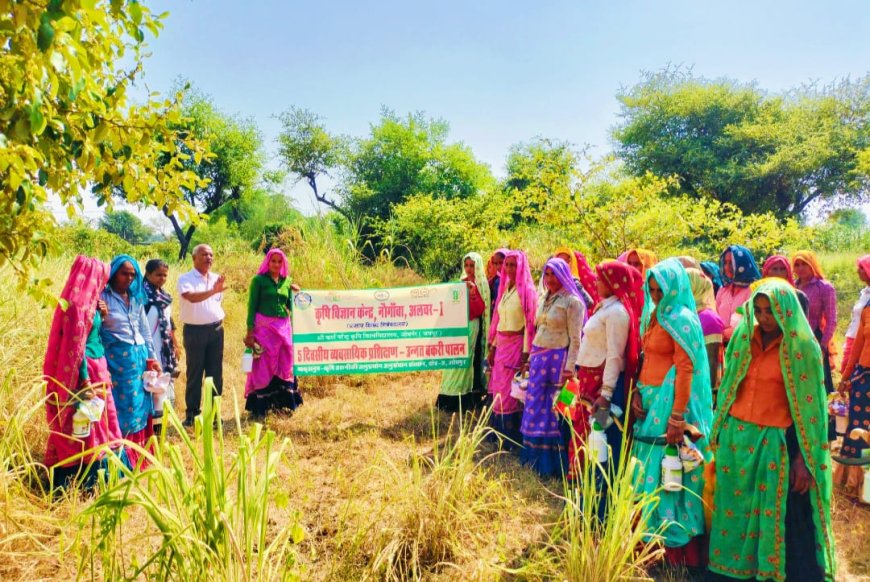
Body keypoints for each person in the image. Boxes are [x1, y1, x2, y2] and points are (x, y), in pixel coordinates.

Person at [708, 279, 836, 581]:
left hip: (774, 444)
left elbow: (810, 411)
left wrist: (802, 459)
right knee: (734, 514)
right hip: (737, 442)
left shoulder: (802, 348)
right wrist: (721, 434)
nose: (765, 317)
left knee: (777, 520)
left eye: (771, 311)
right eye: (760, 310)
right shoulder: (742, 338)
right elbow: (728, 388)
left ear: (786, 310)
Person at [632, 259, 712, 567]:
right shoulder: (655, 315)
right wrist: (638, 391)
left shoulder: (682, 318)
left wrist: (677, 416)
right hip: (648, 402)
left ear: (674, 288)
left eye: (660, 290)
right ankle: (645, 544)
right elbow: (646, 356)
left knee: (669, 471)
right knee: (646, 471)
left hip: (671, 406)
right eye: (651, 290)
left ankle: (674, 555)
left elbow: (685, 369)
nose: (655, 296)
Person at [44, 256, 127, 489]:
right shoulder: (78, 306)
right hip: (88, 370)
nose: (104, 282)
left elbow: (92, 335)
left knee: (103, 420)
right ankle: (88, 481)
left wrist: (102, 314)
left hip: (98, 366)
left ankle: (101, 477)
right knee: (89, 422)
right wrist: (86, 381)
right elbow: (75, 347)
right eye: (102, 277)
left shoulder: (90, 302)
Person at [570, 260, 643, 478]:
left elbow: (614, 355)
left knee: (599, 431)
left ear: (612, 283)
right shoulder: (605, 307)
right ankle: (582, 481)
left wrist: (606, 393)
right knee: (585, 428)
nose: (596, 282)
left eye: (601, 279)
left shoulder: (618, 313)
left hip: (601, 384)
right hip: (588, 378)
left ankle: (598, 487)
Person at [520, 258, 585, 478]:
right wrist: (530, 358)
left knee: (556, 410)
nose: (549, 279)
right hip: (539, 359)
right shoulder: (544, 298)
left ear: (563, 275)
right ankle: (532, 458)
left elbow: (576, 338)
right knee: (535, 405)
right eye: (546, 274)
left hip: (558, 361)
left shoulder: (572, 301)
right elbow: (538, 328)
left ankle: (553, 465)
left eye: (554, 274)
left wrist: (570, 367)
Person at [101, 255, 160, 469]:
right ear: (114, 272)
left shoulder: (135, 298)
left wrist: (151, 358)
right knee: (124, 406)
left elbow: (144, 329)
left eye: (132, 274)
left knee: (142, 404)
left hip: (139, 356)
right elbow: (96, 328)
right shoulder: (103, 298)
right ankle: (124, 457)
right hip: (118, 360)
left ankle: (141, 455)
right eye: (123, 273)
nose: (128, 278)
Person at [244, 248, 303, 420]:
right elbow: (251, 307)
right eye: (273, 261)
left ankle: (282, 405)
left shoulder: (288, 282)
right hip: (263, 330)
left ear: (283, 263)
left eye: (279, 261)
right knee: (263, 365)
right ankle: (261, 408)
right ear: (267, 262)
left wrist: (297, 294)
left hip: (283, 329)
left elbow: (293, 307)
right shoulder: (258, 281)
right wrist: (250, 332)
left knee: (284, 363)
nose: (276, 265)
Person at [487, 251, 537, 447]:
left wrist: (526, 355)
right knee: (499, 387)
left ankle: (510, 437)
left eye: (512, 265)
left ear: (521, 267)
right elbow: (499, 320)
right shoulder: (505, 288)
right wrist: (493, 347)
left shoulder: (527, 292)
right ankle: (497, 432)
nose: (508, 269)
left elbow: (529, 326)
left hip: (517, 344)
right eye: (506, 265)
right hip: (502, 345)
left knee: (511, 391)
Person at [178, 244, 226, 426]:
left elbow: (215, 304)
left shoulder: (215, 278)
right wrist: (214, 290)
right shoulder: (186, 278)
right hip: (194, 331)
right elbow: (191, 297)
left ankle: (214, 413)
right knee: (195, 372)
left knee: (215, 373)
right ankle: (192, 414)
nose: (209, 258)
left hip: (215, 330)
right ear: (194, 258)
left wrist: (216, 290)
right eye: (205, 254)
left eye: (211, 255)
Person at [437, 252, 490, 412]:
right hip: (458, 326)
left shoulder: (480, 285)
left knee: (465, 361)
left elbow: (480, 309)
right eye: (466, 265)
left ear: (478, 267)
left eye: (472, 266)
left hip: (471, 325)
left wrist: (473, 293)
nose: (468, 269)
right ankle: (447, 396)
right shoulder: (460, 282)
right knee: (453, 361)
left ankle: (462, 398)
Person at [835, 256, 870, 495]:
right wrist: (846, 376)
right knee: (858, 426)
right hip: (864, 375)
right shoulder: (867, 308)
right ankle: (856, 485)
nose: (860, 274)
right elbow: (858, 344)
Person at [792, 250, 838, 396]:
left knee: (818, 381)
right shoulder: (793, 286)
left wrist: (823, 345)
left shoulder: (824, 287)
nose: (800, 268)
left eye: (804, 264)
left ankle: (824, 416)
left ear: (812, 264)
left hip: (814, 339)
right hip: (794, 339)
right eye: (797, 265)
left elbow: (832, 319)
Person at [144, 259, 179, 414]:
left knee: (163, 388)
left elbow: (169, 322)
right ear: (148, 274)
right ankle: (153, 429)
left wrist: (175, 345)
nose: (162, 279)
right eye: (158, 275)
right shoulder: (142, 297)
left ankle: (161, 429)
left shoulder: (164, 297)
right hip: (149, 349)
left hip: (164, 349)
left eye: (165, 275)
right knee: (151, 387)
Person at [686, 268, 724, 398]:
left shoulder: (709, 319)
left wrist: (707, 396)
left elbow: (711, 362)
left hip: (699, 391)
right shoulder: (689, 313)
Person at [716, 245, 761, 344]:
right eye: (726, 262)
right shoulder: (722, 290)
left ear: (742, 264)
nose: (727, 267)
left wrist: (733, 332)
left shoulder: (753, 290)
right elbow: (716, 316)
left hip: (744, 344)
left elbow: (754, 320)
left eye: (732, 263)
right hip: (722, 343)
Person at [841, 255, 870, 371]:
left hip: (865, 340)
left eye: (862, 267)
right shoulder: (865, 292)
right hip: (853, 336)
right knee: (848, 372)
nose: (858, 271)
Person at [552, 246, 598, 311]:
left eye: (566, 261)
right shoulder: (551, 279)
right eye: (559, 261)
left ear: (572, 262)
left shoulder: (573, 281)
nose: (562, 265)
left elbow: (588, 302)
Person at [486, 248, 508, 314]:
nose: (498, 267)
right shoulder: (496, 282)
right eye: (495, 263)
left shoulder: (517, 282)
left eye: (501, 262)